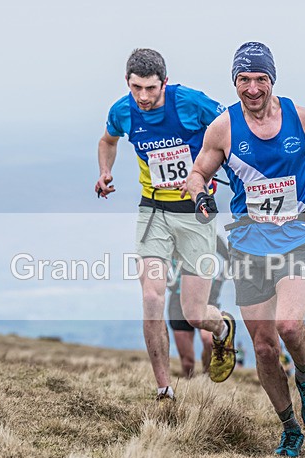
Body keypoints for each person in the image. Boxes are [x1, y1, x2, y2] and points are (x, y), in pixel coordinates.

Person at [183, 42, 305, 457]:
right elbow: (198, 172)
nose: (253, 88)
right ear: (234, 82)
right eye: (244, 80)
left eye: (261, 79)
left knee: (289, 327)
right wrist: (202, 197)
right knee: (262, 347)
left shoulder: (299, 117)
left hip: (296, 241)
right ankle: (289, 427)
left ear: (272, 80)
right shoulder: (223, 128)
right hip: (246, 248)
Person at [95, 49, 238, 403]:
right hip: (153, 210)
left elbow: (233, 132)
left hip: (195, 212)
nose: (143, 97)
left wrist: (225, 176)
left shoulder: (191, 103)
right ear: (127, 83)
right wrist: (105, 171)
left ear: (165, 83)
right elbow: (107, 141)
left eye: (151, 89)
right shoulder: (122, 110)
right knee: (151, 297)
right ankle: (164, 390)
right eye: (136, 88)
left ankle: (222, 327)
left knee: (193, 313)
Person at [167, 235, 229, 377]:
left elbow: (229, 259)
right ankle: (190, 388)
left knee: (208, 341)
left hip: (206, 295)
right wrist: (170, 283)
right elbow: (158, 261)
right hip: (178, 298)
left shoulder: (208, 234)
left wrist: (218, 281)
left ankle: (208, 377)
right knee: (187, 362)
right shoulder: (170, 234)